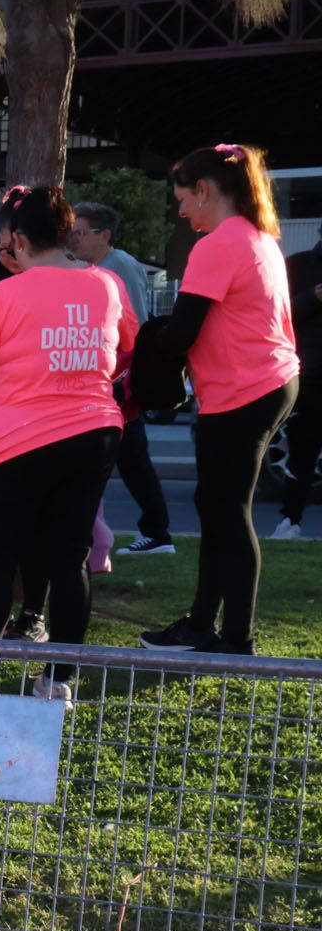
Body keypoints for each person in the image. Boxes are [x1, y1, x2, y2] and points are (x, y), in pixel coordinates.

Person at [0, 187, 133, 697]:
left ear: (15, 237)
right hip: (93, 432)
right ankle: (58, 681)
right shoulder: (106, 284)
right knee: (70, 558)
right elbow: (126, 349)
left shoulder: (2, 295)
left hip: (17, 442)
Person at [142, 144, 300, 655]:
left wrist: (141, 340)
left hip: (243, 391)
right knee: (217, 507)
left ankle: (236, 638)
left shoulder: (217, 244)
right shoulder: (259, 237)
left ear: (206, 190)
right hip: (268, 382)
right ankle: (202, 624)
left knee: (228, 511)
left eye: (184, 199)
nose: (182, 211)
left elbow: (181, 331)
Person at [69, 202, 170, 556]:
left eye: (80, 232)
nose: (73, 239)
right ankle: (150, 532)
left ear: (104, 235)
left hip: (120, 381)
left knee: (131, 458)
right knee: (126, 459)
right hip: (103, 379)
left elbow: (137, 327)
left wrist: (123, 378)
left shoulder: (120, 266)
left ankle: (156, 532)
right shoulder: (89, 267)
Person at [271, 226, 322, 540]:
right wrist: (314, 296)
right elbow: (277, 314)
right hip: (310, 374)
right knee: (303, 449)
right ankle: (290, 520)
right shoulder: (297, 265)